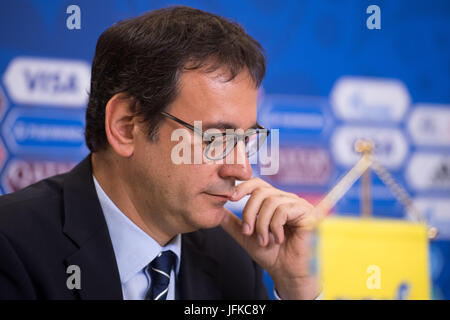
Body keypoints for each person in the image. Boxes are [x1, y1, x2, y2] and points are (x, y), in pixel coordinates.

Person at [0, 6, 320, 300]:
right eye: (215, 138)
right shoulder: (11, 244)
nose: (242, 170)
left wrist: (297, 287)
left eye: (246, 139)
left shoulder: (233, 259)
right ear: (127, 126)